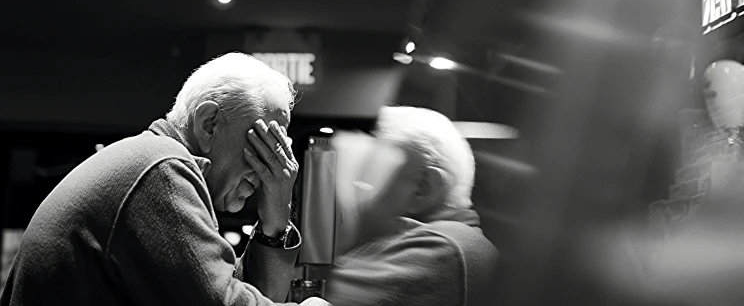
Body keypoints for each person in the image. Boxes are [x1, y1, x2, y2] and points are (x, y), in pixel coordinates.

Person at [1, 52, 325, 305]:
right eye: (265, 143)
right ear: (209, 124)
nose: (276, 167)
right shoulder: (160, 169)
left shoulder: (154, 161)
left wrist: (276, 220)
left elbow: (234, 292)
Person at [326, 106, 498, 306]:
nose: (356, 188)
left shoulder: (441, 247)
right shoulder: (461, 241)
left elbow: (330, 295)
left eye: (372, 171)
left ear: (423, 187)